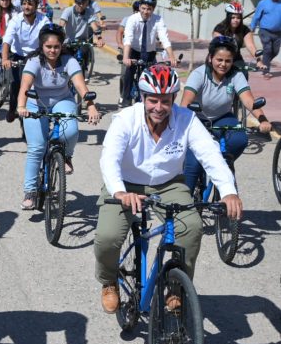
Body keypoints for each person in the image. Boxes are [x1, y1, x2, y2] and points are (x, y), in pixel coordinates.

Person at [94, 65, 242, 313]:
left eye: (165, 101)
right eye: (153, 100)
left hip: (169, 184)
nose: (159, 107)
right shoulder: (125, 119)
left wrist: (228, 190)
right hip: (126, 184)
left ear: (173, 99)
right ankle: (109, 280)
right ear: (143, 98)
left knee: (192, 228)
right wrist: (119, 192)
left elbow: (209, 153)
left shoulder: (186, 119)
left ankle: (175, 287)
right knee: (108, 237)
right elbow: (109, 159)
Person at [15, 23, 100, 209]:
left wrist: (91, 105)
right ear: (42, 46)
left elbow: (80, 86)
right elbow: (24, 87)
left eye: (56, 46)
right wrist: (21, 106)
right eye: (48, 47)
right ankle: (30, 191)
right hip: (35, 102)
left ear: (62, 46)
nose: (52, 50)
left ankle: (66, 156)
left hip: (63, 100)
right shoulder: (34, 61)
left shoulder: (69, 60)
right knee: (37, 147)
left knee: (70, 131)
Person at [180, 35, 272, 194]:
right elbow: (185, 104)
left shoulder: (236, 75)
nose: (223, 64)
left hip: (223, 117)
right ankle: (186, 205)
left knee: (240, 138)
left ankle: (222, 167)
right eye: (219, 59)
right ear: (210, 58)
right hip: (198, 119)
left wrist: (263, 120)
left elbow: (248, 100)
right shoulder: (199, 74)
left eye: (228, 61)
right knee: (192, 165)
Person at [120, 0, 178, 107]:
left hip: (149, 53)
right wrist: (126, 58)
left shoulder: (158, 20)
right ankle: (125, 100)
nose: (146, 12)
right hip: (134, 52)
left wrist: (171, 57)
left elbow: (164, 38)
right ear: (139, 7)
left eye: (149, 9)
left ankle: (150, 101)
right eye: (143, 8)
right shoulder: (132, 19)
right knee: (128, 74)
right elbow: (128, 40)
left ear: (153, 9)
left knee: (153, 78)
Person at [2, 0, 48, 123]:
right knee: (16, 85)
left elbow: (49, 37)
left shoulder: (43, 19)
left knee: (41, 86)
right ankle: (12, 109)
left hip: (36, 57)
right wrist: (5, 59)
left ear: (36, 5)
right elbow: (6, 42)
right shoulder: (15, 20)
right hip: (18, 56)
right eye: (24, 3)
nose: (26, 7)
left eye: (30, 4)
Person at [59, 0, 104, 81]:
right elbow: (61, 25)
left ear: (87, 2)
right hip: (68, 41)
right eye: (78, 3)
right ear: (75, 1)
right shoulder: (68, 11)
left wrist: (99, 38)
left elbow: (94, 26)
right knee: (62, 60)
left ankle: (83, 73)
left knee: (84, 53)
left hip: (82, 40)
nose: (81, 5)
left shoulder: (89, 12)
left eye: (83, 3)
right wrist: (59, 39)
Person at [213, 1, 267, 74]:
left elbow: (251, 46)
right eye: (233, 17)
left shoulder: (245, 30)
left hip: (236, 58)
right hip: (220, 58)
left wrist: (259, 61)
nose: (236, 20)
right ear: (228, 17)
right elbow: (218, 45)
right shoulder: (219, 29)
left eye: (238, 18)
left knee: (244, 74)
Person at [249, 0, 281, 78]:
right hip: (265, 30)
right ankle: (266, 71)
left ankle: (263, 63)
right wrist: (252, 27)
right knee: (267, 49)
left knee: (275, 51)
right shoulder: (263, 3)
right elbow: (256, 17)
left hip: (278, 33)